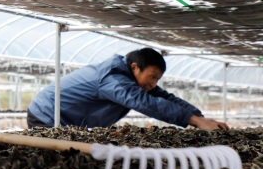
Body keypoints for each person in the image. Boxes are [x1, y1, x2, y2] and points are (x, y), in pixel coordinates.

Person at [26, 47, 229, 130]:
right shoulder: (112, 78)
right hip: (47, 115)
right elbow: (145, 103)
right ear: (135, 67)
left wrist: (199, 118)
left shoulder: (130, 78)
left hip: (68, 120)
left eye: (157, 79)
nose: (154, 84)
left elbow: (164, 97)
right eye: (152, 77)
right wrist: (193, 121)